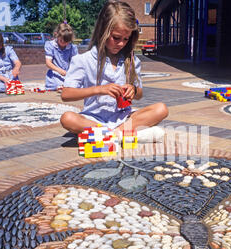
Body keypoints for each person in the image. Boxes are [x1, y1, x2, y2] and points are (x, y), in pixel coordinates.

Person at [60, 1, 168, 143]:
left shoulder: (131, 60)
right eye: (116, 38)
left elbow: (140, 94)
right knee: (67, 118)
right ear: (102, 31)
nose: (121, 43)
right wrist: (99, 89)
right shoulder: (83, 60)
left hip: (124, 117)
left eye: (126, 39)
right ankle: (122, 135)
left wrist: (133, 90)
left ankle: (109, 135)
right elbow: (66, 94)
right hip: (93, 119)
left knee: (161, 109)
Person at [45, 23, 78, 91]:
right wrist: (59, 70)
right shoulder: (50, 45)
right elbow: (48, 63)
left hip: (68, 74)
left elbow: (76, 62)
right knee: (58, 84)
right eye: (61, 41)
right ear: (56, 35)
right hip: (55, 74)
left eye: (67, 42)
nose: (64, 44)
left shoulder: (72, 47)